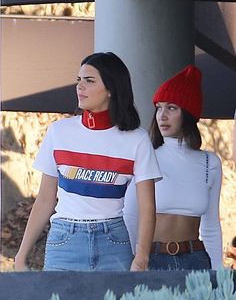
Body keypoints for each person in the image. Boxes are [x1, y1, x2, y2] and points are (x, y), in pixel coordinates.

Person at [14, 52, 162, 272]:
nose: (80, 86)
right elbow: (45, 200)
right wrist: (21, 255)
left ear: (111, 89)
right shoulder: (59, 132)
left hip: (114, 241)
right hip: (64, 241)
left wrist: (142, 257)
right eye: (79, 80)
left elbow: (147, 207)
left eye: (89, 80)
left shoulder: (137, 139)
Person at [124, 64, 223, 270]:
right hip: (151, 260)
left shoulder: (209, 163)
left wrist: (217, 273)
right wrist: (135, 260)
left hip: (196, 261)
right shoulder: (144, 155)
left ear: (188, 113)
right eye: (159, 107)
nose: (162, 115)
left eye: (171, 107)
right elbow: (131, 215)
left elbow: (211, 226)